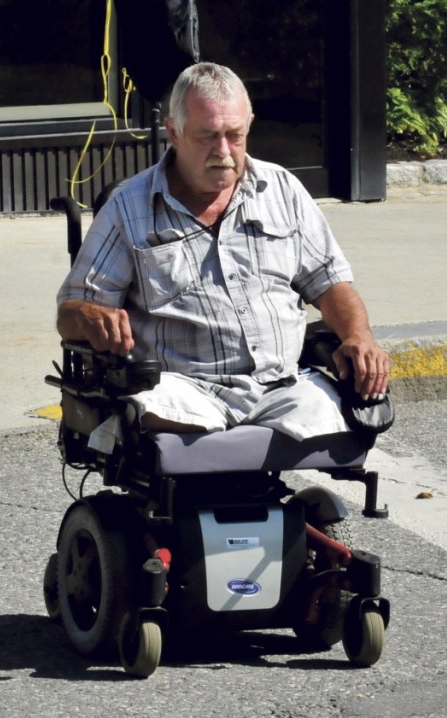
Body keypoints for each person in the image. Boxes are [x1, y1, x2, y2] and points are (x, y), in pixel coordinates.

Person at [56, 62, 390, 440]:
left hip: (281, 386)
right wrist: (90, 316)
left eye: (235, 135)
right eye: (207, 137)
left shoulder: (282, 189)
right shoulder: (127, 209)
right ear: (173, 133)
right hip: (183, 391)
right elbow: (70, 313)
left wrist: (358, 336)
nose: (223, 151)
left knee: (354, 414)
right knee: (141, 411)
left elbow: (331, 284)